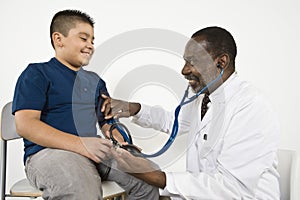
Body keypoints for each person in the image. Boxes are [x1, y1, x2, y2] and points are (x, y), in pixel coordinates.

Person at [101, 26, 280, 199]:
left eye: (193, 61)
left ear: (221, 62)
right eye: (185, 61)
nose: (184, 70)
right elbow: (174, 122)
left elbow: (233, 188)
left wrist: (155, 176)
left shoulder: (249, 106)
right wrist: (133, 108)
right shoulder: (204, 98)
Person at [12, 9, 158, 200]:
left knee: (150, 179)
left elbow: (107, 124)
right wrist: (81, 145)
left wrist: (121, 141)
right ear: (58, 39)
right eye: (83, 38)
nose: (90, 45)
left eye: (92, 41)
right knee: (81, 190)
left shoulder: (95, 82)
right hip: (49, 153)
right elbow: (25, 125)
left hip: (94, 149)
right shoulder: (37, 74)